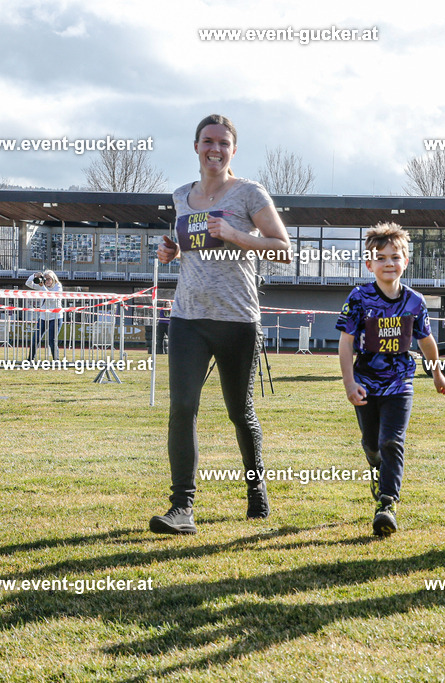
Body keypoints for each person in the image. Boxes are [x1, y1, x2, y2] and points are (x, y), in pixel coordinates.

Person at [149, 114, 291, 535]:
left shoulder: (249, 193)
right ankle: (181, 507)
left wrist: (234, 234)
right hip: (188, 317)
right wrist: (170, 251)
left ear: (233, 150)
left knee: (239, 412)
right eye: (207, 141)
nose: (215, 149)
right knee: (182, 408)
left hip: (237, 320)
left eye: (223, 143)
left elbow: (282, 248)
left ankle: (255, 486)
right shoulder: (180, 196)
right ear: (195, 147)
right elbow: (187, 248)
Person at [337, 222, 445, 536]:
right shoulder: (359, 298)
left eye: (395, 257)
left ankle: (387, 504)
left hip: (400, 384)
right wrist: (348, 383)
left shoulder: (415, 302)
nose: (389, 263)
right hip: (365, 384)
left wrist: (436, 372)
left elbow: (425, 340)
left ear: (406, 261)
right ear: (369, 263)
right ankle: (374, 464)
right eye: (381, 258)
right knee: (373, 443)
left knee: (392, 441)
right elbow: (346, 342)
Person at [25, 270, 63, 361]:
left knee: (52, 340)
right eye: (45, 279)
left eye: (49, 279)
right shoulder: (42, 286)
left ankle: (56, 360)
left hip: (55, 317)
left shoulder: (58, 286)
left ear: (53, 279)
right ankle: (30, 359)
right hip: (43, 317)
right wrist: (34, 275)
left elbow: (52, 298)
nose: (47, 281)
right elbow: (28, 283)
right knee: (35, 339)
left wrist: (42, 288)